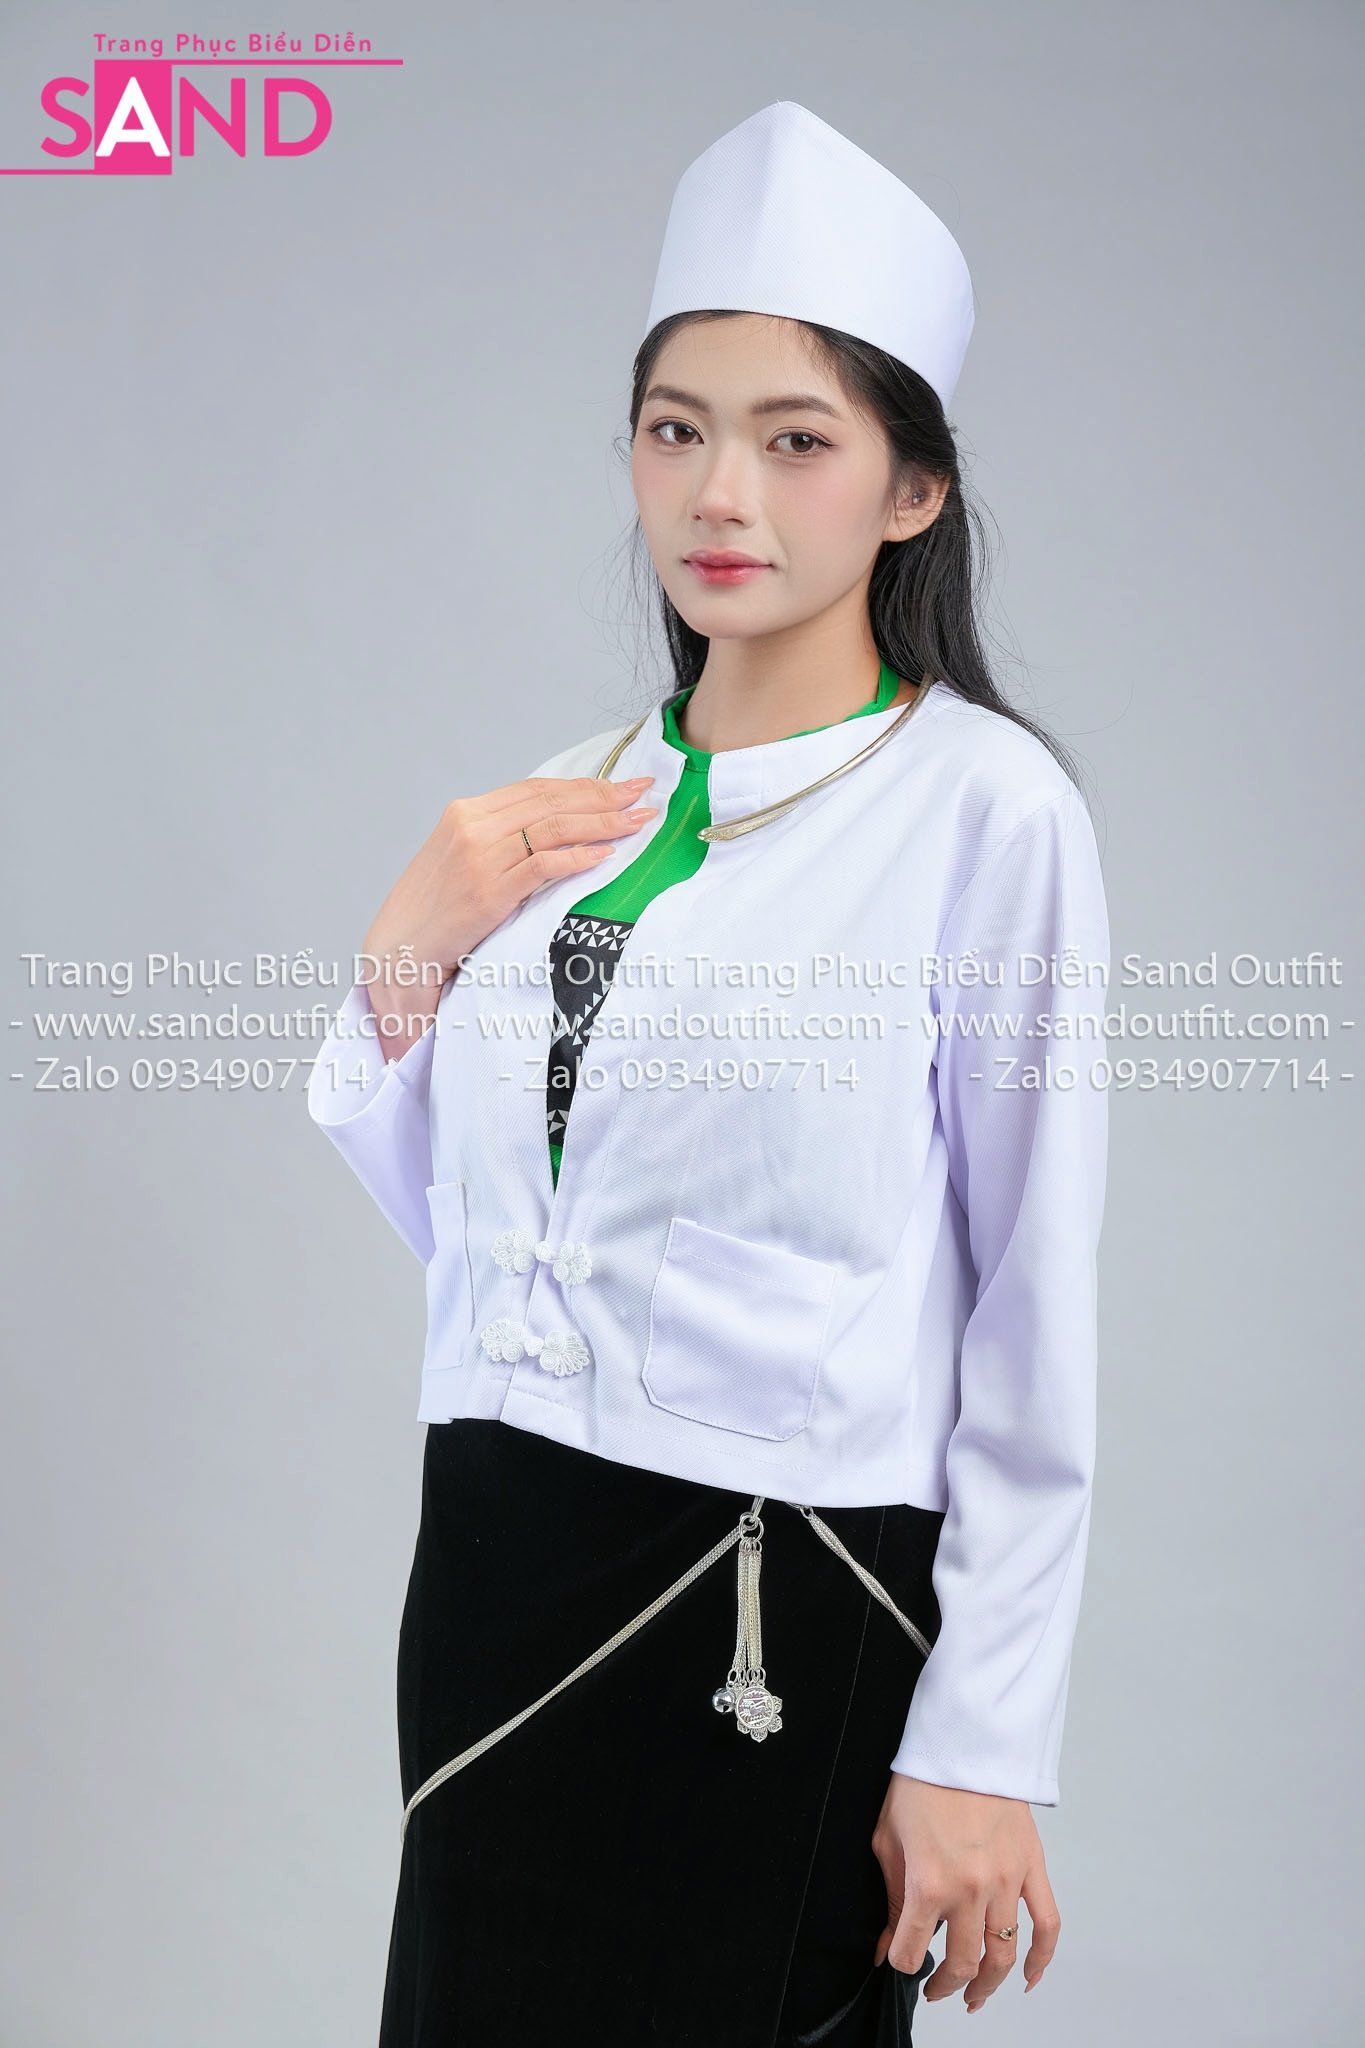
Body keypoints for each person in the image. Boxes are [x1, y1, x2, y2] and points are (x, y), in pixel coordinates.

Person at [307, 101, 1111, 2047]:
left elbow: (1029, 1299)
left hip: (771, 1588)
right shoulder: (568, 797)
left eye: (793, 438)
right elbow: (485, 1235)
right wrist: (404, 953)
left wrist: (981, 1737)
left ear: (910, 489)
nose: (717, 490)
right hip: (494, 1560)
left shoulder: (981, 812)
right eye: (673, 430)